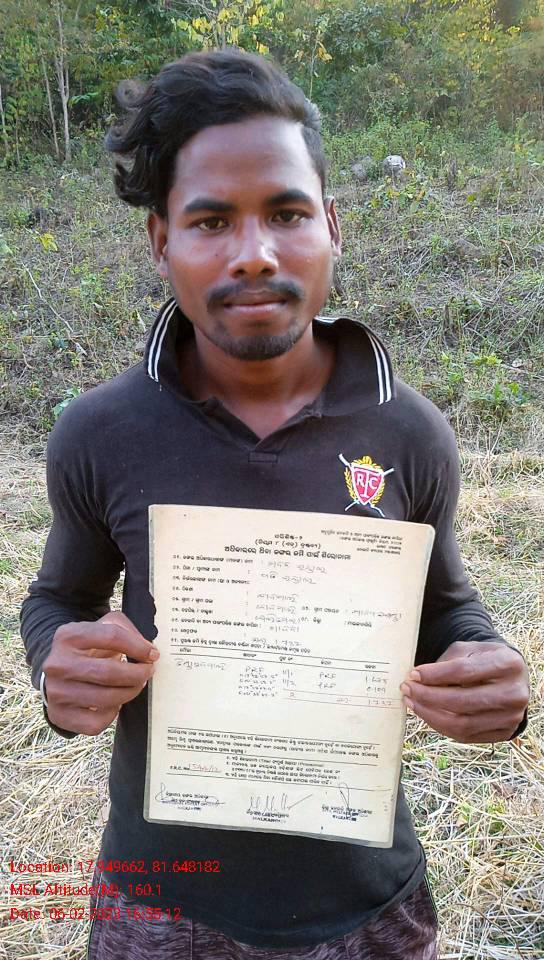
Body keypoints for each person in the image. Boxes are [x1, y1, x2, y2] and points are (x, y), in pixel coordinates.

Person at [20, 49, 529, 960]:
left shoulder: (408, 430)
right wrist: (58, 671)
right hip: (162, 904)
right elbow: (58, 598)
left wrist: (487, 671)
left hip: (369, 906)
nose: (254, 252)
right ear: (160, 240)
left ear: (331, 223)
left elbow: (448, 606)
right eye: (211, 219)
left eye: (287, 213)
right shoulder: (99, 433)